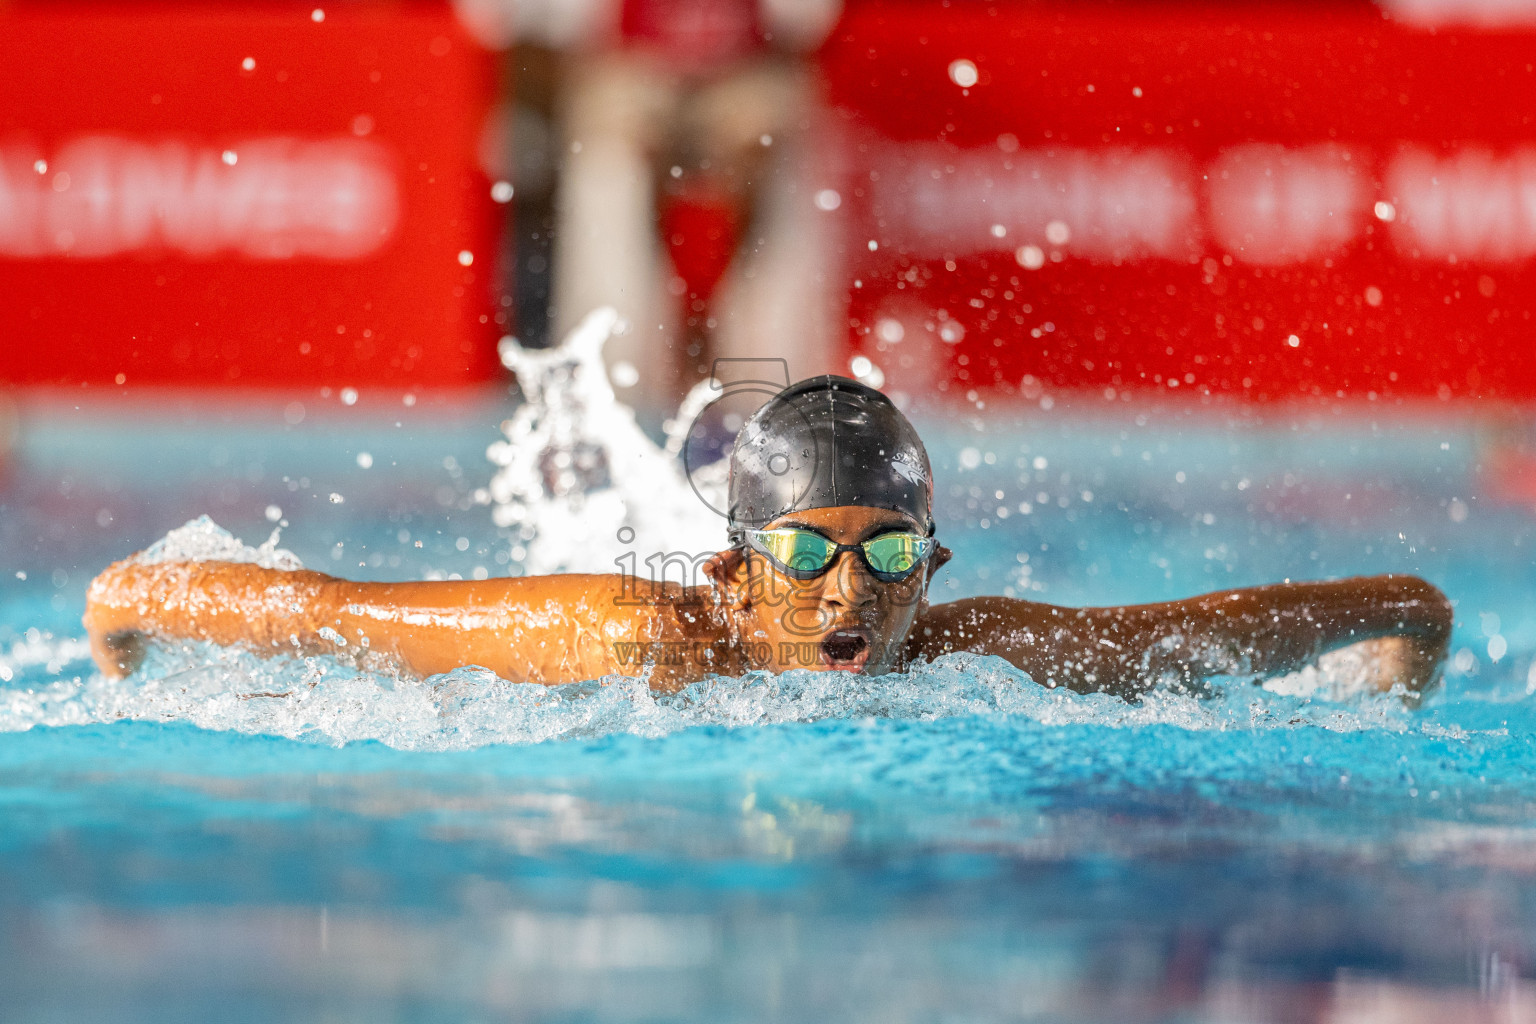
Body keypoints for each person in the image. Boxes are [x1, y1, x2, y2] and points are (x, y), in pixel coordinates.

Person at [84, 377, 1452, 698]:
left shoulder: (971, 653)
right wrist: (132, 601)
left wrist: (1410, 614)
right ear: (740, 564)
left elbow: (1188, 640)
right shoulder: (635, 637)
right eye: (804, 552)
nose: (850, 591)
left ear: (937, 564)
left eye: (888, 555)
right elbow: (343, 608)